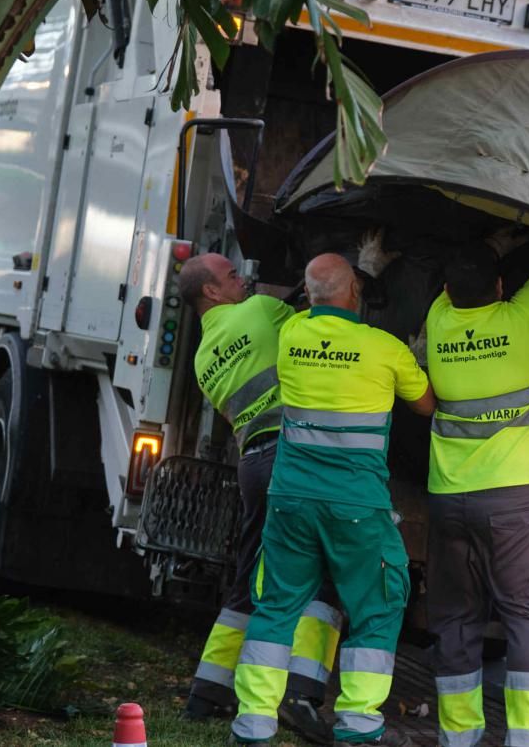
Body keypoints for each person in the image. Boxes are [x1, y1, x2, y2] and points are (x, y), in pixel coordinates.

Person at [232, 253, 435, 747]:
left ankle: (254, 725)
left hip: (291, 500)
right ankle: (358, 724)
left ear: (309, 293)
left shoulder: (291, 336)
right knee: (380, 604)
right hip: (356, 507)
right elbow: (426, 405)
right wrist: (418, 353)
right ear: (354, 293)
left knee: (276, 605)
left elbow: (311, 305)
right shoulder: (384, 348)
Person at [178, 253, 342, 743]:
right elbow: (329, 326)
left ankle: (208, 690)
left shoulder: (203, 359)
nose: (242, 279)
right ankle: (301, 693)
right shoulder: (260, 311)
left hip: (252, 462)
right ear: (210, 291)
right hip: (294, 455)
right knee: (324, 569)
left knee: (250, 574)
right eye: (231, 276)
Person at [423, 231, 529, 747]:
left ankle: (458, 738)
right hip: (514, 504)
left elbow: (460, 283)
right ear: (503, 287)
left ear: (447, 288)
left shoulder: (439, 323)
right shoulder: (525, 322)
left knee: (456, 623)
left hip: (448, 502)